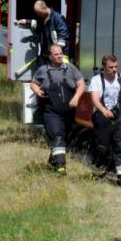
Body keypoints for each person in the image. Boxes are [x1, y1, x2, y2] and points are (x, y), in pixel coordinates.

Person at [29, 44, 85, 174]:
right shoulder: (43, 70)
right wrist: (37, 91)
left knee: (65, 139)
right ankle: (61, 167)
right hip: (50, 111)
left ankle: (53, 161)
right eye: (56, 54)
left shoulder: (71, 69)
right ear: (50, 56)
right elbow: (33, 83)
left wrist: (76, 98)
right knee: (58, 135)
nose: (59, 56)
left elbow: (81, 84)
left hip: (69, 112)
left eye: (61, 53)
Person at [89, 54, 121, 185]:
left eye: (116, 67)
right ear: (104, 67)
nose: (114, 70)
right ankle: (98, 175)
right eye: (111, 67)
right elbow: (95, 100)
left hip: (119, 115)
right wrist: (104, 111)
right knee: (102, 147)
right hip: (103, 115)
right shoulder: (97, 80)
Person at [17, 0, 70, 65]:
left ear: (44, 8)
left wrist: (54, 53)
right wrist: (27, 21)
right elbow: (38, 25)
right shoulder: (43, 18)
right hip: (45, 55)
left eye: (39, 13)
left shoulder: (58, 19)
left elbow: (63, 36)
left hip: (55, 57)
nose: (38, 15)